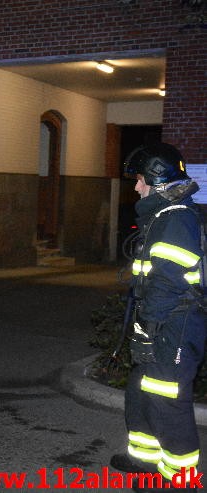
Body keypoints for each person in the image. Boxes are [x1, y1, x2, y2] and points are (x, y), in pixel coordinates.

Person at [109, 143, 205, 492]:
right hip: (158, 321)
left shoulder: (176, 218)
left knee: (167, 398)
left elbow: (168, 280)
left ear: (156, 177)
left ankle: (180, 480)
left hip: (174, 325)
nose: (136, 187)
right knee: (140, 391)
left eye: (139, 180)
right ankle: (145, 461)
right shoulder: (163, 215)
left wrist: (151, 328)